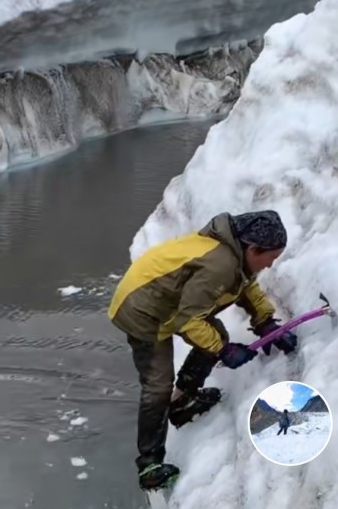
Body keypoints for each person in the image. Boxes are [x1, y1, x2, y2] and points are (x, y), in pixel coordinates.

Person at [108, 210, 297, 490]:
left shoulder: (236, 256)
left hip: (166, 301)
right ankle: (149, 465)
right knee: (157, 385)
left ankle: (183, 401)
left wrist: (265, 321)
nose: (269, 266)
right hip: (141, 308)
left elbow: (246, 289)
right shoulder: (219, 264)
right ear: (253, 249)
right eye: (270, 258)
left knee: (215, 335)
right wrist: (224, 350)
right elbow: (188, 321)